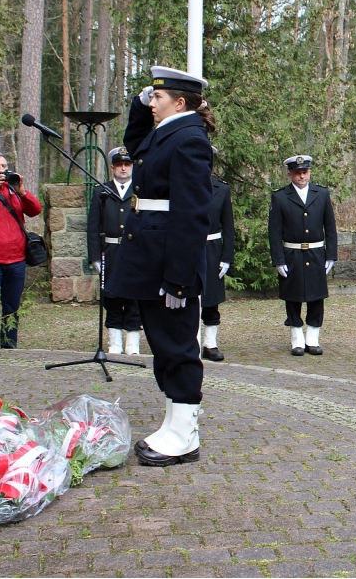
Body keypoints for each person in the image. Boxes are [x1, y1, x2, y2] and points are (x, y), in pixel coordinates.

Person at [105, 65, 215, 467]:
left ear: (180, 102)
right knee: (163, 345)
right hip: (151, 257)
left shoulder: (189, 140)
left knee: (178, 346)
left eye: (158, 98)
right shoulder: (166, 133)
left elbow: (192, 215)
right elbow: (135, 143)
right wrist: (139, 103)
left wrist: (179, 279)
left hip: (170, 263)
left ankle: (185, 434)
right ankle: (174, 422)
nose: (152, 104)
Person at [268, 154, 337, 356]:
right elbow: (274, 232)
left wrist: (331, 255)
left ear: (309, 172)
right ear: (289, 174)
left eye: (305, 172)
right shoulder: (280, 197)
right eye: (297, 173)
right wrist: (279, 260)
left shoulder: (321, 194)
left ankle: (313, 338)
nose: (301, 176)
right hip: (292, 254)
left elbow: (330, 228)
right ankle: (297, 339)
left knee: (316, 297)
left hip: (316, 253)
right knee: (293, 297)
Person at [0, 153, 42, 349]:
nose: (1, 169)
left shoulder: (13, 191)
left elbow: (35, 210)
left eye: (3, 165)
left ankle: (9, 346)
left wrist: (23, 192)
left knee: (12, 309)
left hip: (17, 260)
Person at [87, 146, 142, 355]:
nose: (123, 168)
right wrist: (95, 257)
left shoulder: (140, 191)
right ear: (112, 167)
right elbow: (93, 226)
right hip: (110, 251)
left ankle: (133, 344)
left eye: (127, 164)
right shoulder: (101, 191)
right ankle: (115, 343)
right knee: (111, 297)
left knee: (134, 297)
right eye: (119, 165)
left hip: (135, 252)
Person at [199, 147, 235, 362]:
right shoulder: (180, 187)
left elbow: (228, 227)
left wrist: (226, 258)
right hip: (188, 248)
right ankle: (190, 341)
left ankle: (210, 344)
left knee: (211, 298)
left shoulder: (221, 189)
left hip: (212, 249)